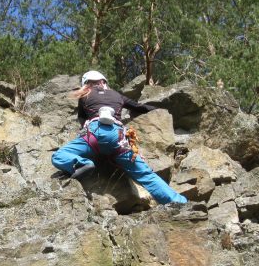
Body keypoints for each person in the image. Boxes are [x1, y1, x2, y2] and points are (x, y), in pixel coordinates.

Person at [52, 71, 187, 205]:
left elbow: (82, 118)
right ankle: (179, 202)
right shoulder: (117, 95)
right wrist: (160, 111)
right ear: (104, 81)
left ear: (86, 84)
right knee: (146, 175)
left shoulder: (85, 95)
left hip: (93, 135)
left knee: (58, 156)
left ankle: (81, 163)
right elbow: (140, 107)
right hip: (118, 139)